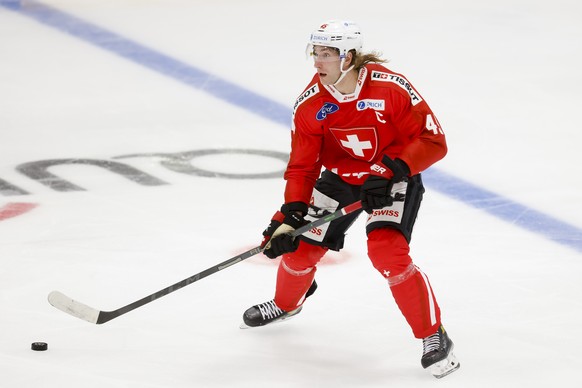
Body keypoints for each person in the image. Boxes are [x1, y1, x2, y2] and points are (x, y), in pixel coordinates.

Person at [241, 20, 460, 379]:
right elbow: (302, 165)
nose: (317, 61)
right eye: (316, 52)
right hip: (342, 178)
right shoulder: (311, 104)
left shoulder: (391, 88)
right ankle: (286, 304)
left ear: (350, 56)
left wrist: (391, 171)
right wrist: (291, 213)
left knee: (387, 252)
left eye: (326, 54)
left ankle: (433, 335)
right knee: (297, 247)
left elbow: (434, 141)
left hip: (391, 177)